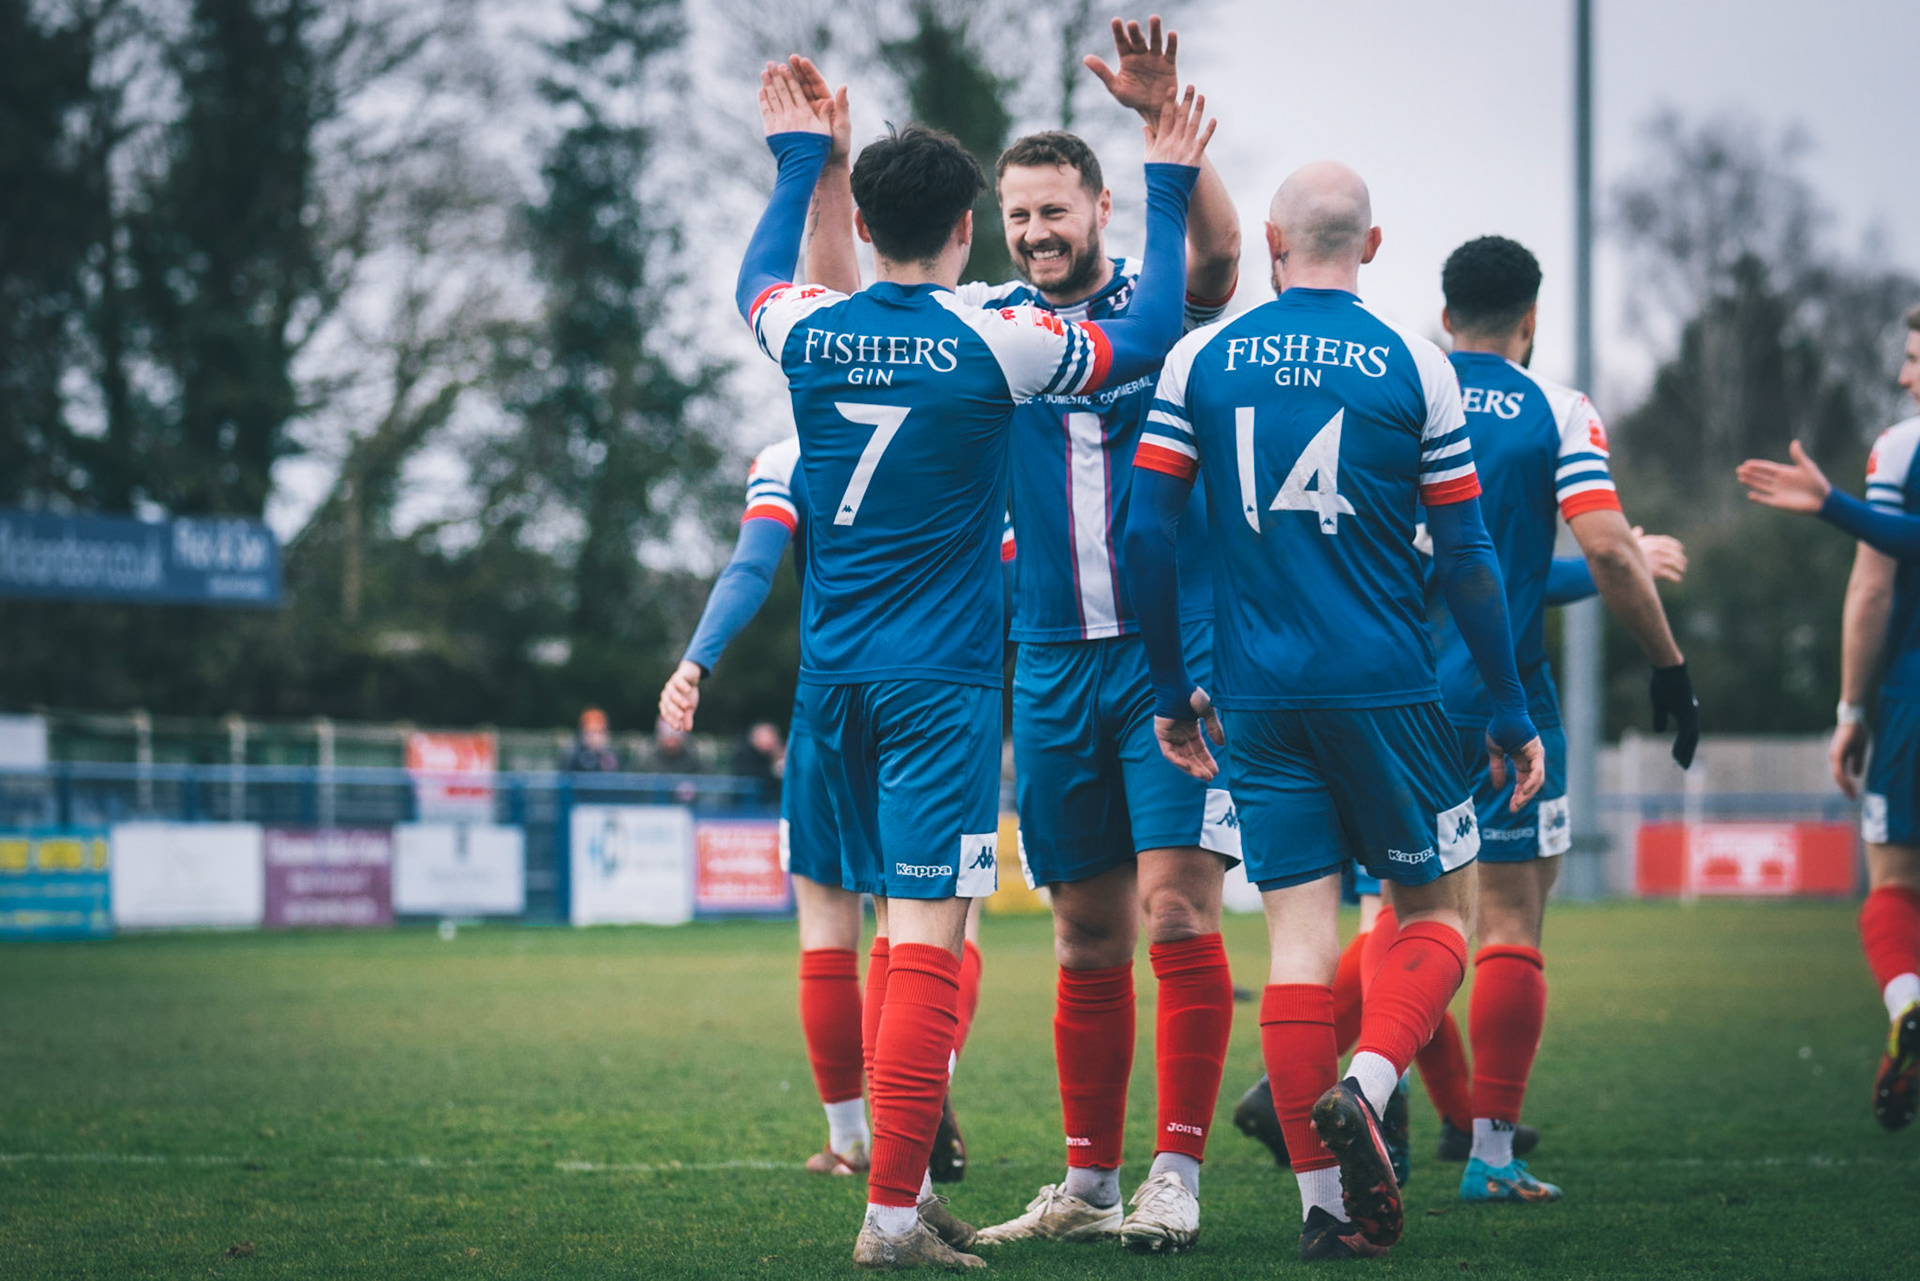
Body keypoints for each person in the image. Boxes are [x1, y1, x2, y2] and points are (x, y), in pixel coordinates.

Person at [736, 59, 1212, 1270]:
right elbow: (1150, 331)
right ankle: (891, 1214)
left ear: (867, 224)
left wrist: (803, 164)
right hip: (940, 688)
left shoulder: (803, 327)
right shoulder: (998, 333)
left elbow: (758, 276)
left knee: (889, 936)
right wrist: (1163, 164)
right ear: (967, 227)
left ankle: (901, 1187)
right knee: (930, 944)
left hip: (829, 683)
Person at [1123, 160, 1545, 1261]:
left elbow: (1148, 535)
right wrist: (1508, 707)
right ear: (1372, 245)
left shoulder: (1199, 357)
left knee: (1302, 949)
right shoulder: (1416, 360)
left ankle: (1326, 1213)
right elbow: (1466, 553)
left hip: (1257, 699)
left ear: (1268, 240)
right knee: (1440, 918)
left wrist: (1173, 690)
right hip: (1389, 689)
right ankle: (1367, 1083)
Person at [1232, 532, 1687, 1176]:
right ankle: (1455, 1133)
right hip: (1420, 703)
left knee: (1385, 918)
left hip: (1340, 695)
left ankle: (1438, 1115)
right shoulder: (1451, 430)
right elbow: (1490, 567)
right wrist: (1610, 563)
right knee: (1463, 919)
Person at [1736, 304, 1920, 1131]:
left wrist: (1849, 708)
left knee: (1893, 886)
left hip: (1911, 698)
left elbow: (1873, 586)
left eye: (1916, 359)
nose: (1904, 375)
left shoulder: (1903, 444)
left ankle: (1910, 1002)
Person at [563, 708, 622, 773]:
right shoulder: (574, 754)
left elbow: (617, 775)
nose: (595, 737)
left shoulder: (612, 754)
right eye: (590, 733)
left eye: (599, 732)